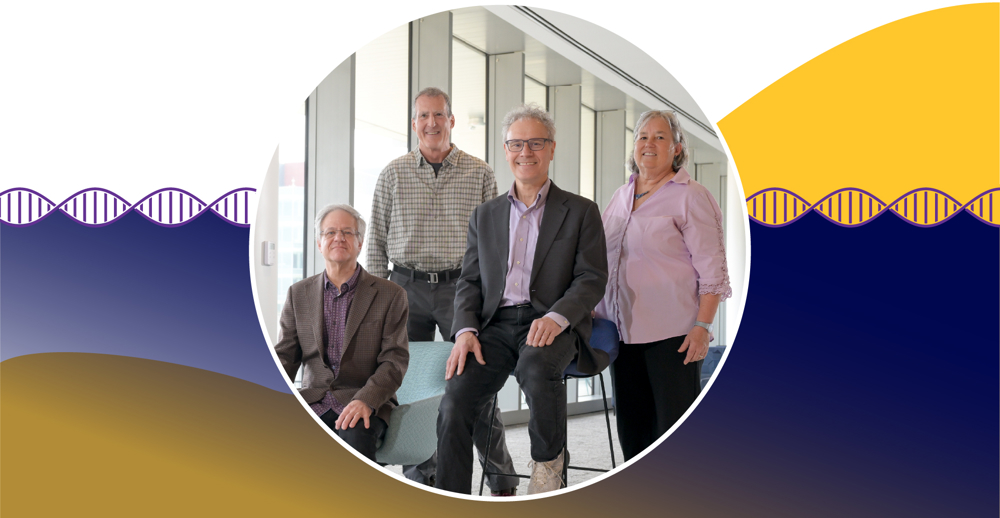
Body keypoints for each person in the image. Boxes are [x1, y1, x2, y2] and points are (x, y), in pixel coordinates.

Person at [436, 104, 609, 495]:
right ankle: (451, 494)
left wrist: (558, 317)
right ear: (505, 149)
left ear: (551, 149)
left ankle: (548, 469)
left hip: (552, 321)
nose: (525, 152)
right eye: (517, 143)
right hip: (494, 326)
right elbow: (469, 281)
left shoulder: (581, 211)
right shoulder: (485, 215)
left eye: (535, 143)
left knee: (535, 366)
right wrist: (464, 330)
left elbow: (592, 277)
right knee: (455, 399)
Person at [367, 87, 517, 494]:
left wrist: (490, 299)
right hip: (403, 288)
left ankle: (502, 478)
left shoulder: (480, 173)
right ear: (414, 124)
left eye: (439, 115)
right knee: (404, 385)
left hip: (461, 290)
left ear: (451, 120)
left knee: (474, 385)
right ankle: (422, 478)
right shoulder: (393, 173)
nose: (431, 123)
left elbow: (497, 243)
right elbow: (376, 241)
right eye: (423, 116)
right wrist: (378, 300)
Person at [595, 110, 732, 461]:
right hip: (621, 333)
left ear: (677, 148)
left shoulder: (690, 195)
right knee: (632, 431)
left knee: (671, 431)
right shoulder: (620, 195)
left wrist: (702, 326)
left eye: (659, 137)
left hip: (673, 335)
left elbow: (712, 268)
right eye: (643, 136)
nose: (649, 144)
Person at [275, 203, 409, 462]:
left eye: (348, 232)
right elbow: (285, 356)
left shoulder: (390, 294)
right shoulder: (298, 294)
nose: (339, 238)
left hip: (362, 400)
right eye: (330, 232)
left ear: (360, 243)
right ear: (319, 243)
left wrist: (366, 400)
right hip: (312, 400)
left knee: (355, 436)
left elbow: (394, 361)